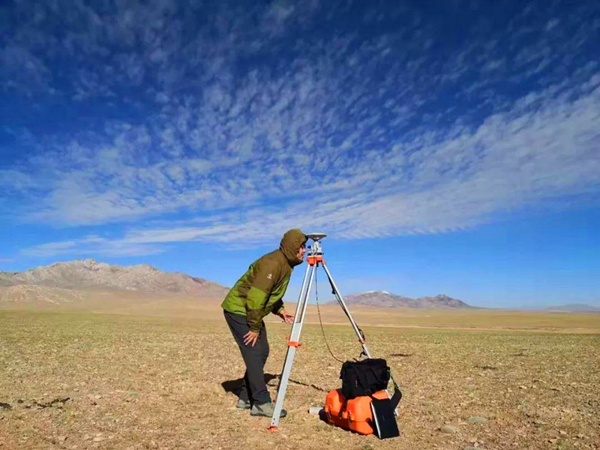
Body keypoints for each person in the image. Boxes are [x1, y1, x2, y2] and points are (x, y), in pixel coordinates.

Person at [221, 229, 307, 418]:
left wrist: (280, 311)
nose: (305, 251)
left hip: (250, 311)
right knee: (254, 352)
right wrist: (253, 327)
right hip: (239, 309)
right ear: (293, 247)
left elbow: (271, 294)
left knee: (262, 351)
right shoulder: (273, 264)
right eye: (302, 247)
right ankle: (260, 402)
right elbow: (256, 296)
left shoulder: (284, 264)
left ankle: (246, 397)